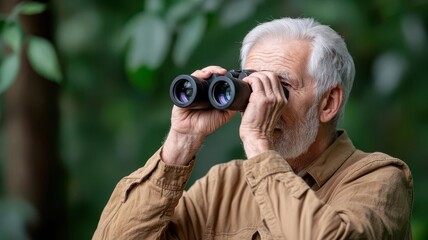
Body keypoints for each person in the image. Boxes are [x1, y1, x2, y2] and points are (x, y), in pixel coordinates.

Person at [93, 17, 413, 239]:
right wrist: (180, 143)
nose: (261, 98)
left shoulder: (379, 178)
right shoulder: (225, 184)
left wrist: (259, 145)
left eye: (280, 85)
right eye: (252, 82)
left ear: (328, 103)